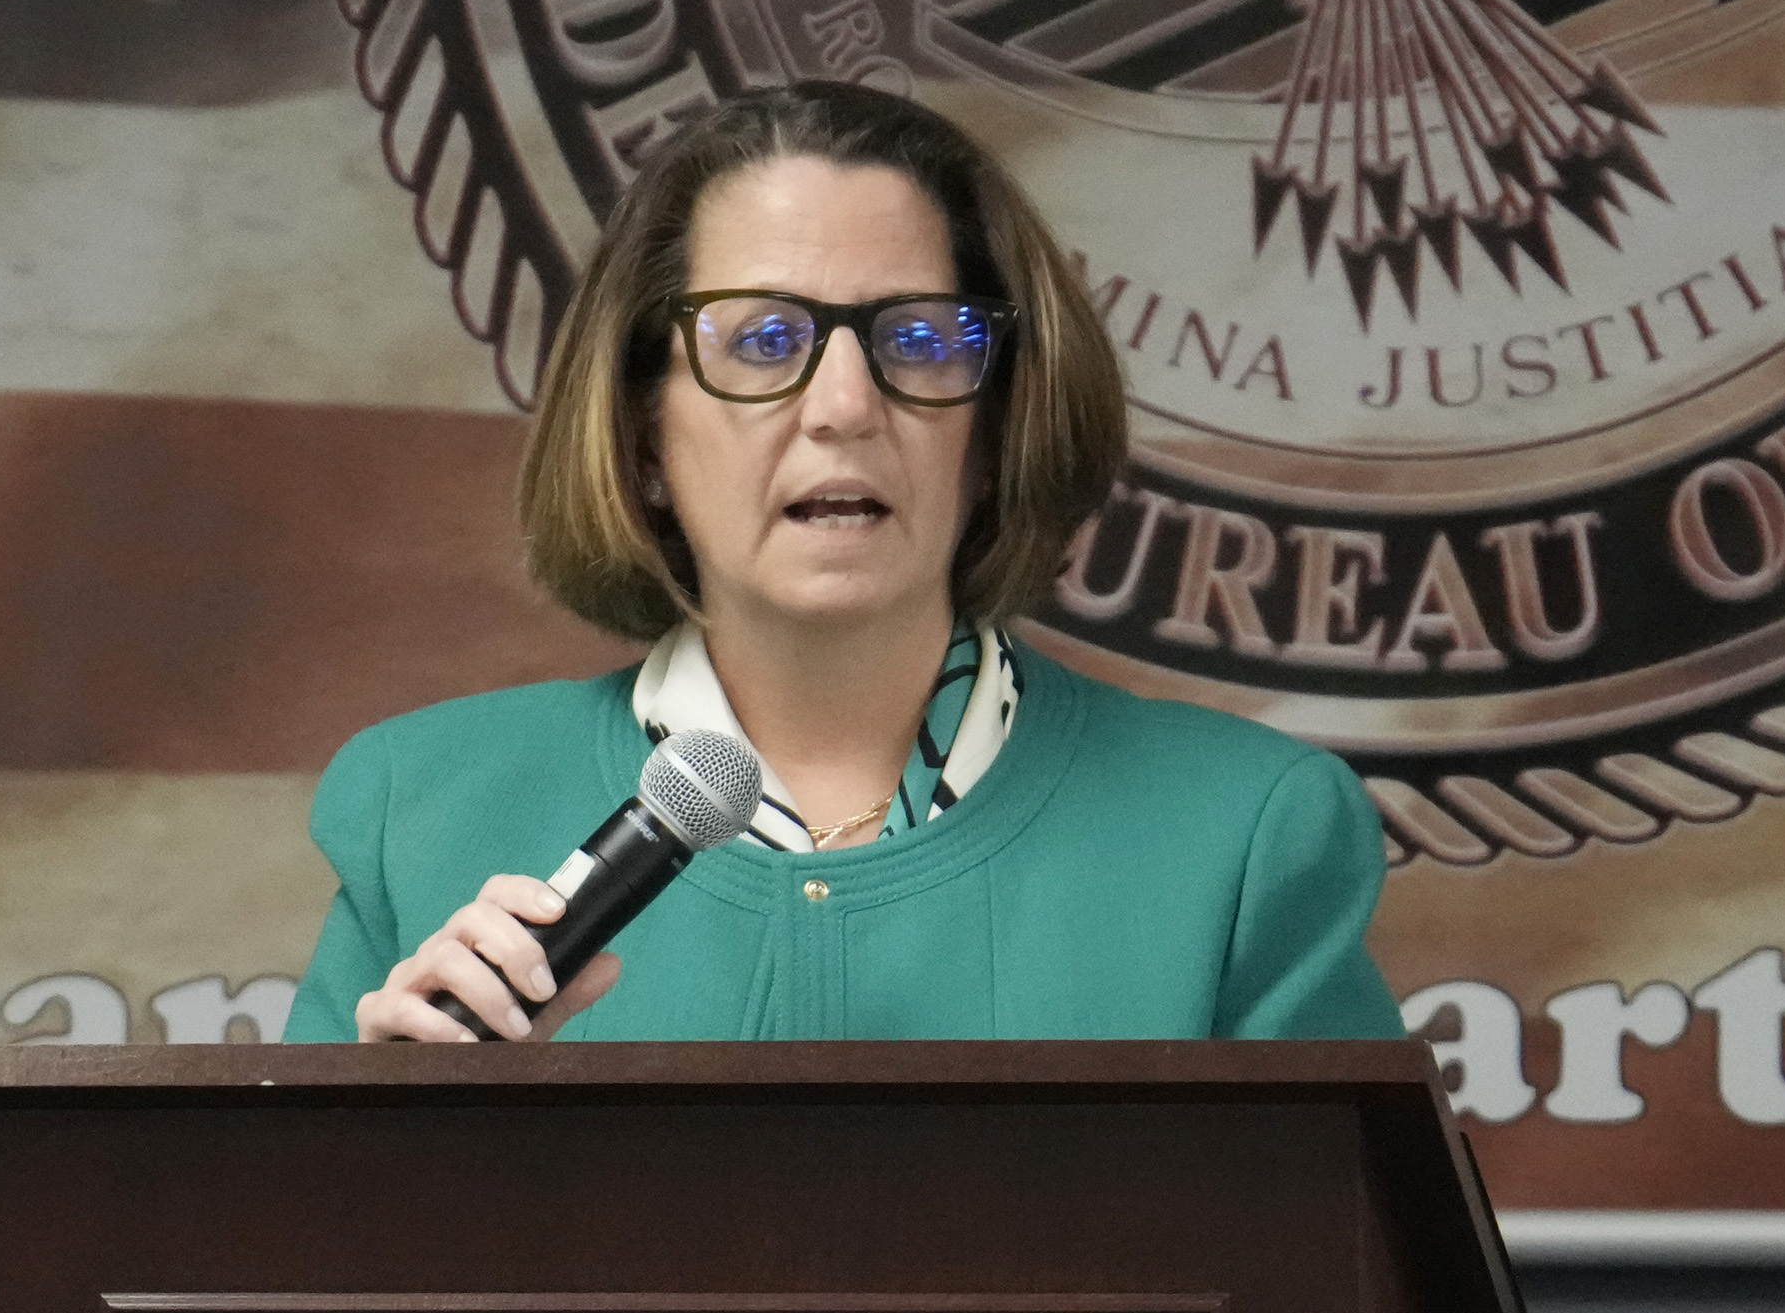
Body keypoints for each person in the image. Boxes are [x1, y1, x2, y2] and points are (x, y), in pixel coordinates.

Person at [288, 81, 1402, 1045]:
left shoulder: (1242, 831)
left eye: (919, 341)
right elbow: (282, 1277)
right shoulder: (424, 806)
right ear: (644, 435)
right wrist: (394, 1144)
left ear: (997, 425)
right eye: (762, 341)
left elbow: (1315, 1280)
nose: (842, 408)